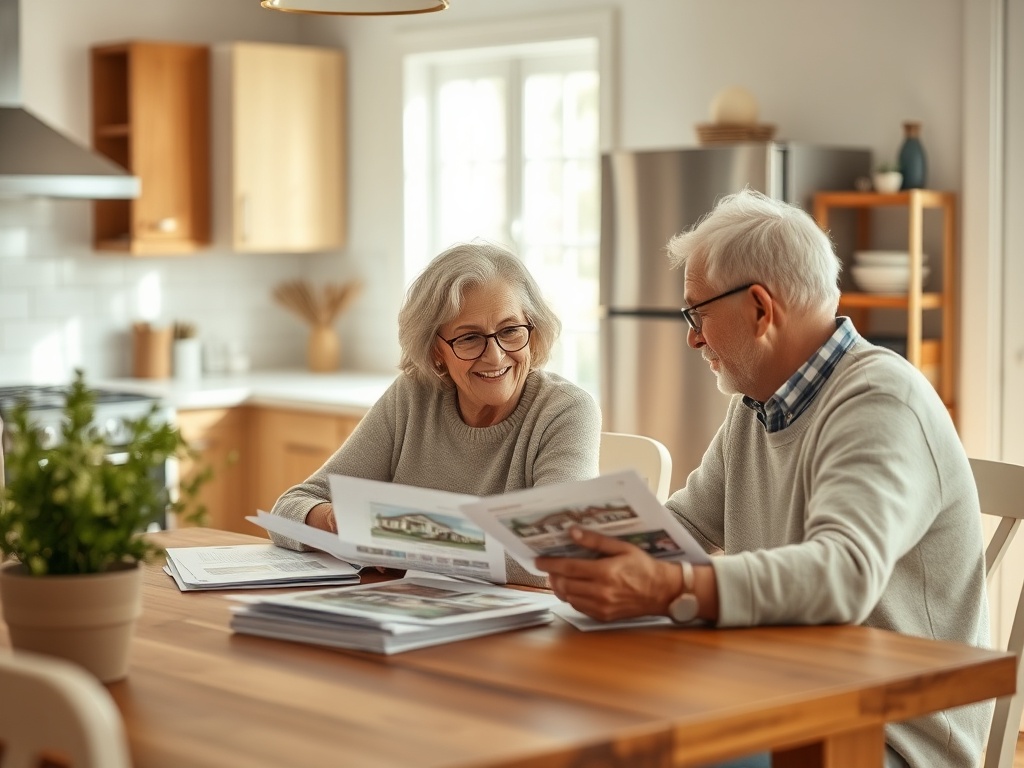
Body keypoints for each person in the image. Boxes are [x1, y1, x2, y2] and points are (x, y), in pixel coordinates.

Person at [537, 189, 990, 768]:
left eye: (697, 313)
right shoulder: (758, 405)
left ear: (759, 308)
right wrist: (584, 545)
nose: (692, 337)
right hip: (779, 696)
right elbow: (685, 525)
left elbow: (843, 575)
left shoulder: (879, 399)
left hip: (884, 735)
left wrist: (667, 587)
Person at [268, 241, 602, 587]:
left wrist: (393, 538)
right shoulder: (412, 396)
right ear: (436, 351)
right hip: (407, 614)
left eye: (510, 331)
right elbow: (290, 509)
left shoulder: (566, 411)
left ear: (532, 334)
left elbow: (557, 554)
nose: (495, 356)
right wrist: (334, 519)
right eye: (470, 338)